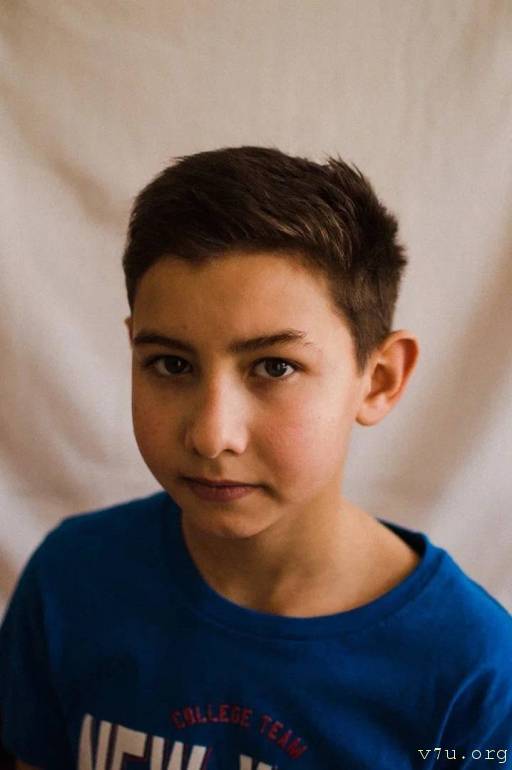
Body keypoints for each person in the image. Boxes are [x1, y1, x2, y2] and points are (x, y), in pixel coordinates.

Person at [1, 146, 511, 770]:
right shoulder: (71, 582)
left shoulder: (472, 679)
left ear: (378, 380)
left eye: (274, 367)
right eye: (171, 364)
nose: (212, 436)